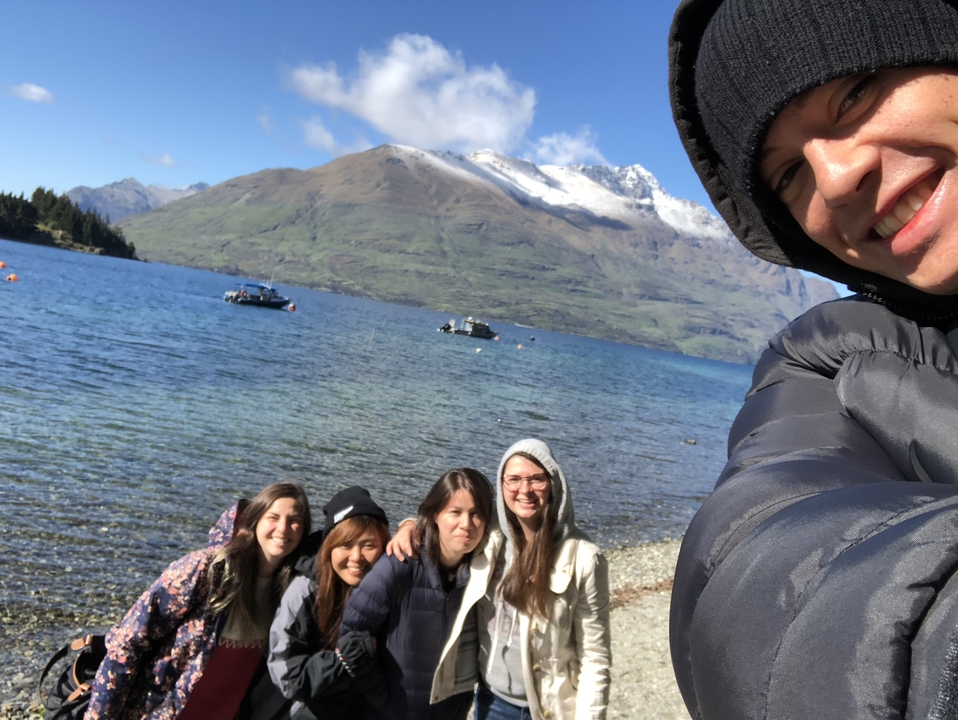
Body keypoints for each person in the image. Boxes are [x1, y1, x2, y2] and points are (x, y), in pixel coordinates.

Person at [668, 0, 958, 717]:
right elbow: (759, 563)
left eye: (855, 89)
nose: (834, 180)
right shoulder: (832, 364)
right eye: (789, 175)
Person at [389, 439, 611, 720]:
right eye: (514, 479)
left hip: (550, 709)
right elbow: (450, 520)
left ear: (554, 483)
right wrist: (409, 526)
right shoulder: (490, 535)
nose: (525, 489)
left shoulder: (583, 558)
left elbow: (595, 656)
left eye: (536, 479)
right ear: (502, 483)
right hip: (491, 702)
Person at [87, 482, 311, 720]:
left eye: (294, 520)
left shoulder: (290, 591)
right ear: (255, 520)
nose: (283, 528)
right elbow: (127, 642)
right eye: (273, 517)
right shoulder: (206, 570)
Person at [341, 468, 495, 720]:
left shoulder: (481, 573)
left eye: (475, 514)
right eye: (455, 512)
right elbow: (351, 636)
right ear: (435, 514)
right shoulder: (400, 564)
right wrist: (381, 698)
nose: (466, 524)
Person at [267, 486, 391, 719]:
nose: (356, 557)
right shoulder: (305, 592)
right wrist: (342, 660)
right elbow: (287, 677)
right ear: (328, 547)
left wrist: (409, 525)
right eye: (345, 544)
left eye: (369, 545)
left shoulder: (390, 587)